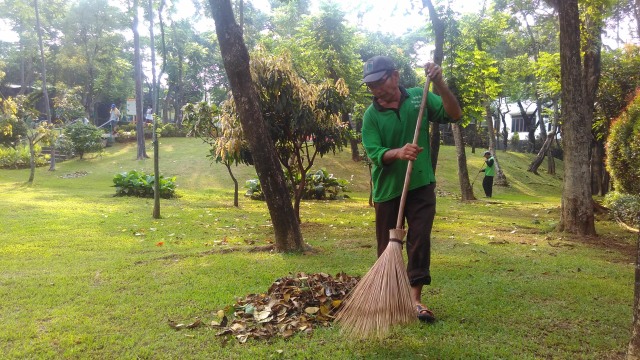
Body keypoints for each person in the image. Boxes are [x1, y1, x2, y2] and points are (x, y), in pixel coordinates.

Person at [361, 56, 462, 323]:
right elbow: (374, 153)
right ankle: (389, 297)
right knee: (387, 247)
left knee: (419, 240)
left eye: (379, 82)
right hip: (387, 190)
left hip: (420, 184)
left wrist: (439, 82)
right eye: (370, 85)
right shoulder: (370, 116)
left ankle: (415, 300)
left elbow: (454, 113)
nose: (375, 89)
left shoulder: (420, 97)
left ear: (394, 76)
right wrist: (398, 152)